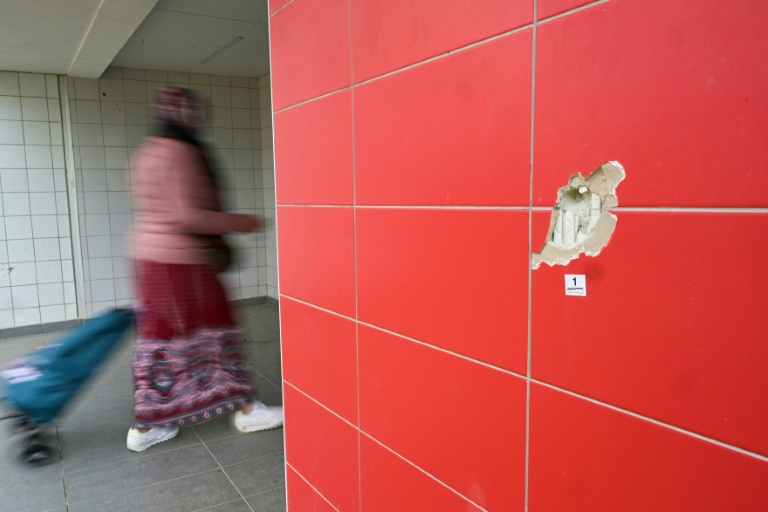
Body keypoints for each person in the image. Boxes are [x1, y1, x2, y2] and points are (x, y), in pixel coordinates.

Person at [126, 86, 282, 452]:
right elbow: (185, 215)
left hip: (151, 259)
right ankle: (246, 409)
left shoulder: (147, 151)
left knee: (161, 338)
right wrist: (239, 222)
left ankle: (148, 427)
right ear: (186, 115)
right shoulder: (180, 153)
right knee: (217, 328)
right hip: (182, 261)